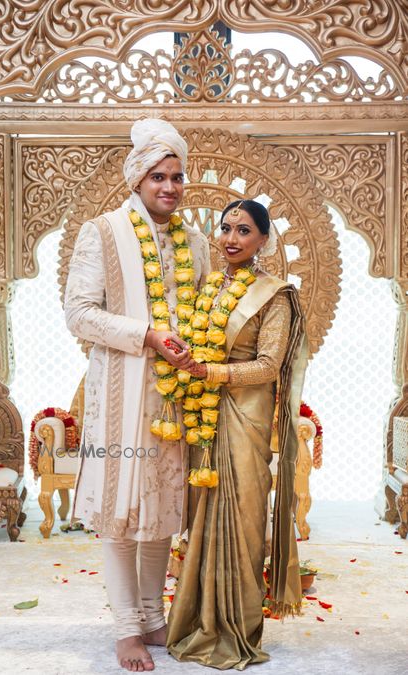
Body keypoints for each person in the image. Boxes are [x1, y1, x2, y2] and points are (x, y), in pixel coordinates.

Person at [64, 118, 210, 671]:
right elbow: (79, 315)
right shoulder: (100, 232)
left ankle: (153, 616)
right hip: (122, 394)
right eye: (157, 176)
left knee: (163, 508)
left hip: (176, 396)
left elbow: (199, 313)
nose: (169, 186)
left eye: (176, 176)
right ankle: (126, 628)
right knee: (123, 508)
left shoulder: (194, 243)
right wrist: (145, 336)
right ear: (136, 179)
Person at [166, 199, 307, 670]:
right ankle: (199, 622)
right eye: (225, 228)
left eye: (244, 230)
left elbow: (268, 366)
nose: (231, 238)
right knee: (203, 518)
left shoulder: (276, 294)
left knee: (245, 519)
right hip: (205, 416)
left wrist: (210, 371)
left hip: (246, 417)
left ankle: (237, 630)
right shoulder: (208, 287)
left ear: (264, 239)